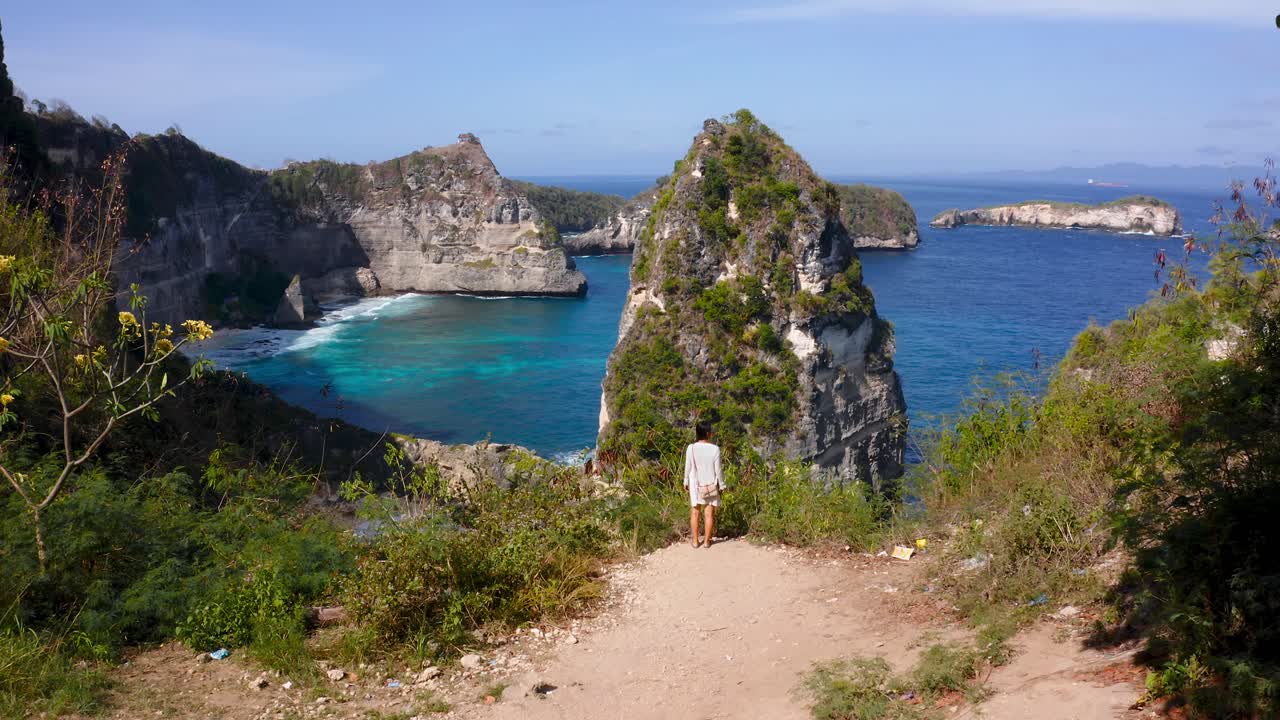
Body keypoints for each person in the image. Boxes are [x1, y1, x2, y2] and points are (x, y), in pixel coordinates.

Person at [684, 421, 724, 548]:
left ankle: (695, 541)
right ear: (708, 434)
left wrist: (685, 480)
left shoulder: (691, 448)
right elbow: (718, 469)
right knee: (709, 513)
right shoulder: (715, 449)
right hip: (710, 484)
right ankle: (707, 541)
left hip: (695, 483)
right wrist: (722, 484)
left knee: (695, 512)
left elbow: (688, 466)